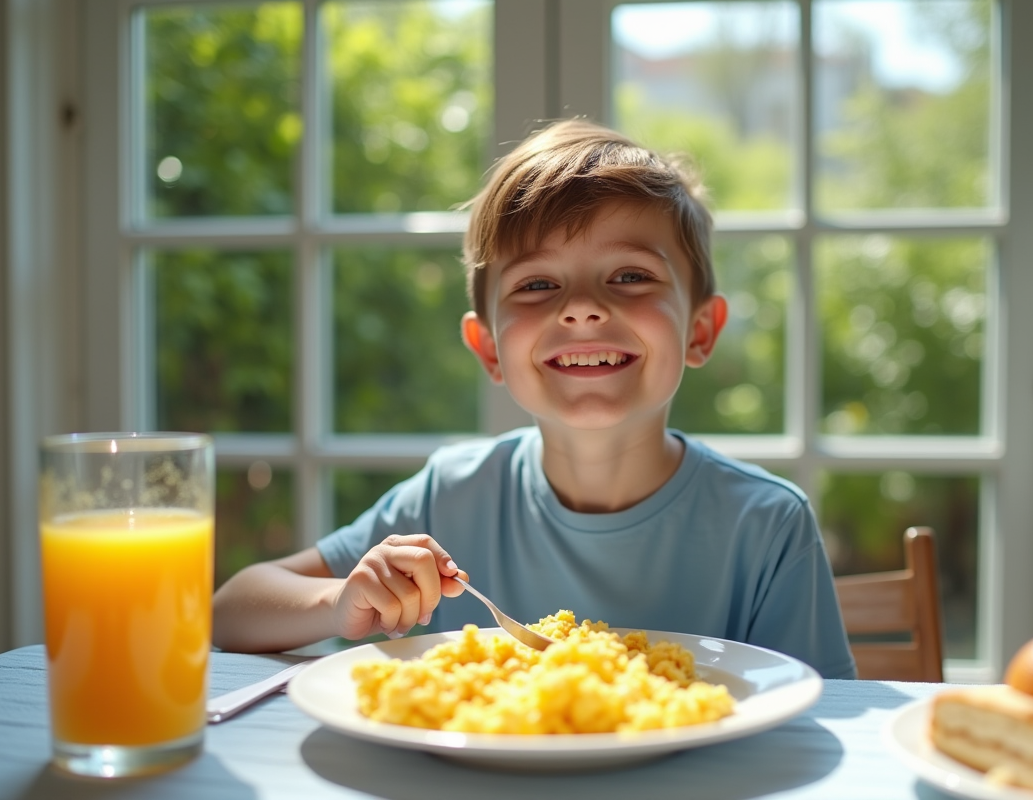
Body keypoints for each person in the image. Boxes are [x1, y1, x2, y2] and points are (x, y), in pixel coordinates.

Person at [212, 118, 857, 680]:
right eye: (538, 283)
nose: (580, 308)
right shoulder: (451, 494)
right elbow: (233, 609)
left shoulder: (767, 525)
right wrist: (338, 604)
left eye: (631, 276)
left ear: (700, 330)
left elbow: (815, 714)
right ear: (488, 348)